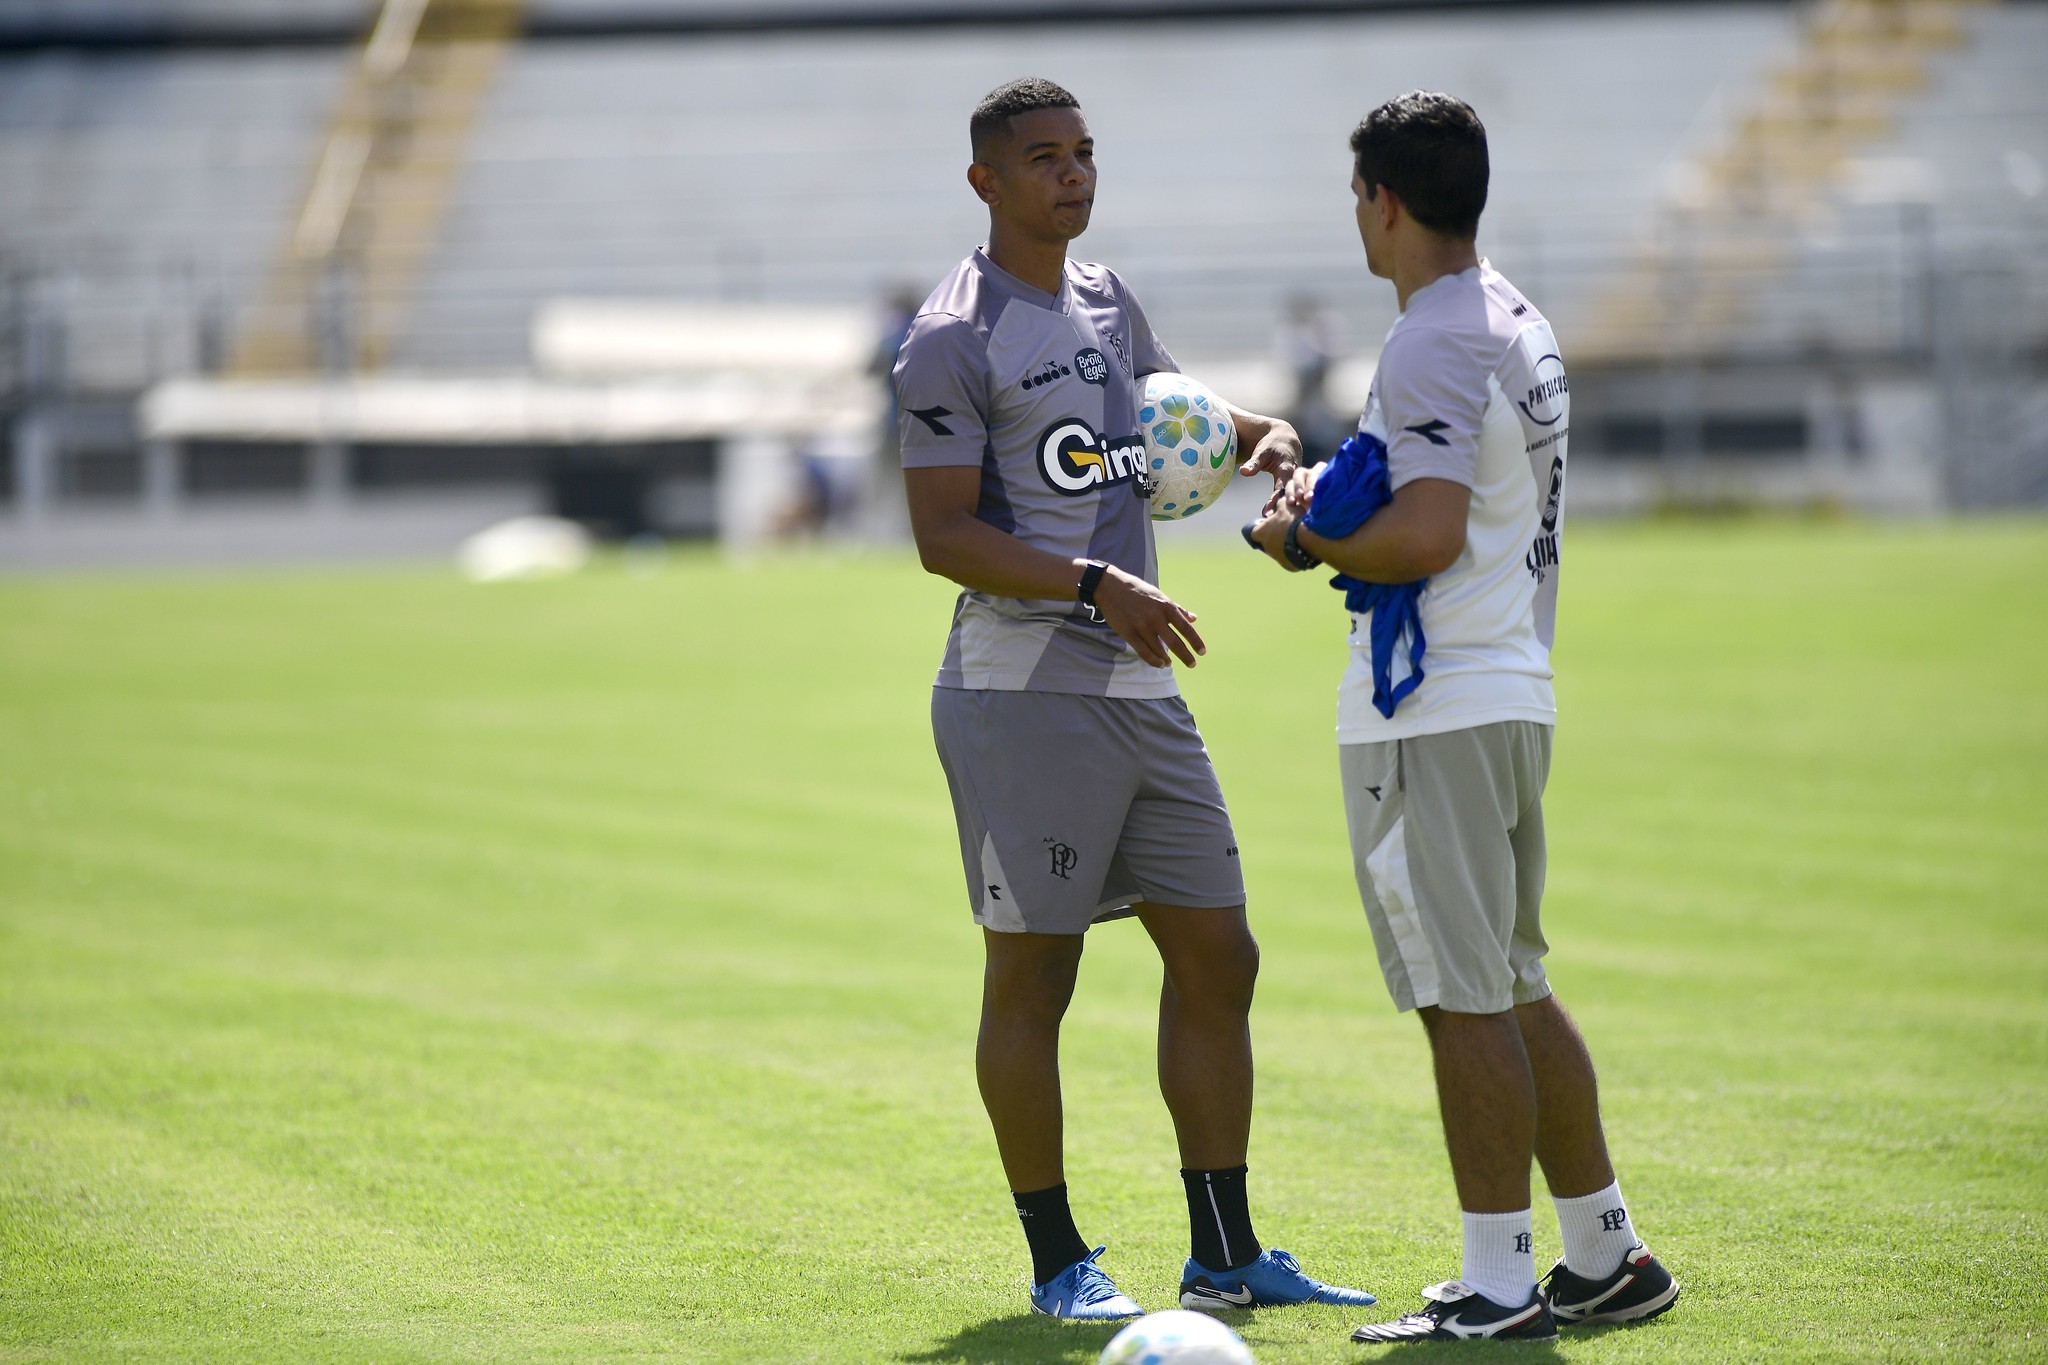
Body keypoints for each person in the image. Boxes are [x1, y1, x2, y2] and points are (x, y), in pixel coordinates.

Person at [895, 76, 1376, 1321]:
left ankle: (1223, 1255)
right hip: (1020, 697)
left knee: (1219, 952)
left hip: (1139, 685)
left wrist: (1261, 432)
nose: (1072, 175)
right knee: (1033, 983)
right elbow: (941, 534)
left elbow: (1175, 422)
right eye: (1043, 157)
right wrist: (1095, 579)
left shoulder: (1106, 299)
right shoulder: (951, 334)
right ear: (984, 181)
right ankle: (1059, 1266)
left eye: (1084, 154)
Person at [1249, 91, 1680, 1343]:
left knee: (1462, 999)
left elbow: (1426, 535)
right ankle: (1602, 1251)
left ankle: (1497, 1283)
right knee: (1509, 978)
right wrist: (1333, 494)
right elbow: (1462, 500)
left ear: (1382, 201)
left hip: (1433, 704)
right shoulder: (1514, 316)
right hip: (1504, 686)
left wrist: (1294, 532)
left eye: (1356, 200)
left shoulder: (1431, 334)